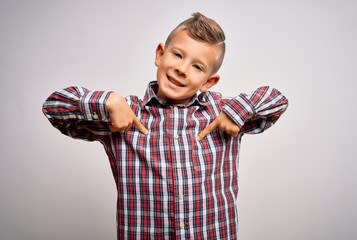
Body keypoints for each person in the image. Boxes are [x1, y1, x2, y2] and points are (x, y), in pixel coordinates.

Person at [43, 12, 288, 239]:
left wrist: (238, 112)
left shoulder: (222, 113)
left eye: (197, 66)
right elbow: (53, 107)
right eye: (178, 55)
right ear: (160, 54)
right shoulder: (124, 114)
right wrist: (107, 101)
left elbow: (277, 99)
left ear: (209, 81)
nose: (182, 69)